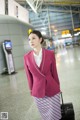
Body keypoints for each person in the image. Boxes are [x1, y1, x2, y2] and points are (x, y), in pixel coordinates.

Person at [24, 30, 62, 120]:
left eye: (33, 38)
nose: (31, 41)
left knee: (55, 115)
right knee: (45, 116)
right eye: (29, 39)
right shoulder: (27, 57)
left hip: (52, 89)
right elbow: (29, 76)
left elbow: (54, 72)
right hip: (38, 91)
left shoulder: (50, 54)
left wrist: (58, 87)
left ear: (40, 39)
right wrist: (31, 90)